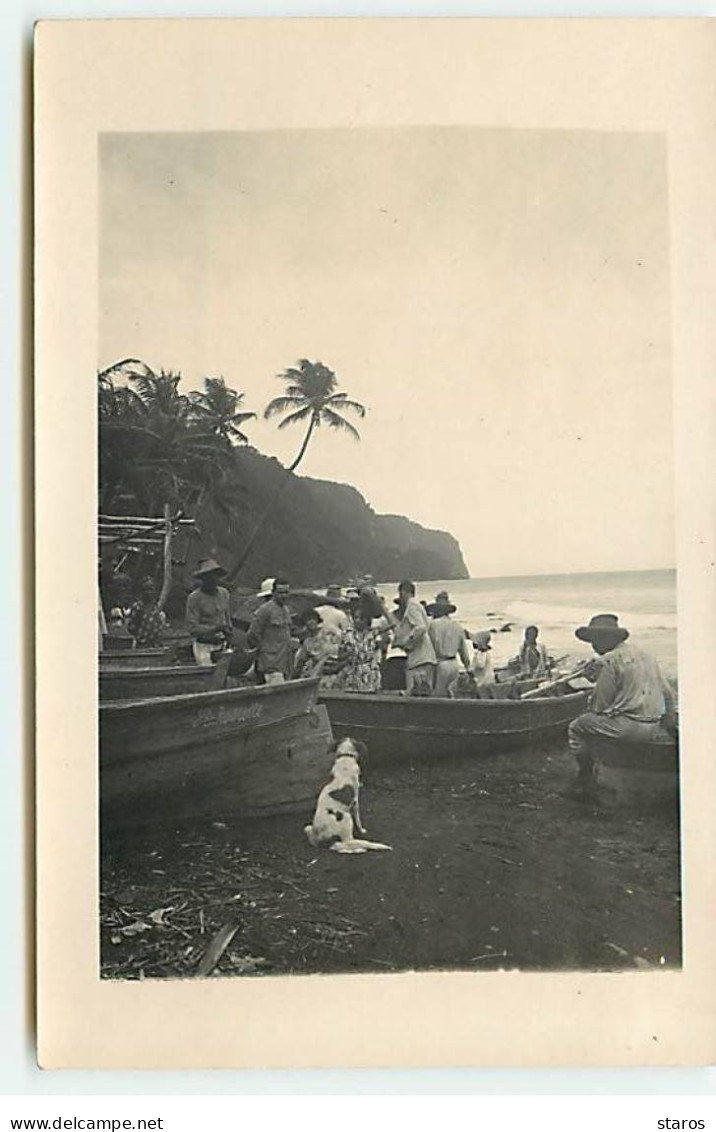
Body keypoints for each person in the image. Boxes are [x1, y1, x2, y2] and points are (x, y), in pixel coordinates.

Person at [567, 614, 676, 788]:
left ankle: (584, 776)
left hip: (628, 728)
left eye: (595, 640)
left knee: (577, 726)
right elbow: (667, 693)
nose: (593, 646)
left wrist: (594, 680)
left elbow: (599, 706)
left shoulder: (608, 660)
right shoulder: (646, 655)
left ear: (606, 639)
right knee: (604, 720)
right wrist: (670, 724)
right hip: (653, 725)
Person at [384, 580, 436, 694]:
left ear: (404, 592)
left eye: (400, 593)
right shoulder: (418, 606)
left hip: (419, 658)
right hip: (425, 656)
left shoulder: (411, 606)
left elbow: (420, 628)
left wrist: (407, 642)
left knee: (414, 692)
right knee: (425, 692)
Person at [185, 558, 232, 666]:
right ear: (203, 578)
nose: (213, 579)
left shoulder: (224, 594)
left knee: (224, 674)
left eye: (215, 576)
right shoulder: (194, 598)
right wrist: (214, 629)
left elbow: (227, 619)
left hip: (221, 644)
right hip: (203, 646)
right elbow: (192, 628)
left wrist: (229, 633)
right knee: (208, 674)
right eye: (209, 576)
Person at [247, 577, 293, 684]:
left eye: (286, 592)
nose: (284, 596)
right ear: (273, 593)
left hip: (284, 663)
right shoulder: (264, 610)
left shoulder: (286, 610)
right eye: (280, 592)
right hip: (270, 663)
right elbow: (252, 635)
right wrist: (264, 651)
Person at [330, 606, 386, 693]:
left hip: (370, 672)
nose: (357, 621)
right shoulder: (347, 634)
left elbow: (381, 647)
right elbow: (340, 655)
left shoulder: (374, 633)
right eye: (355, 617)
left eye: (361, 618)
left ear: (367, 620)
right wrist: (349, 654)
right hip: (353, 671)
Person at [427, 591, 471, 697]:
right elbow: (463, 651)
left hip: (440, 664)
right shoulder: (457, 626)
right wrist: (468, 667)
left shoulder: (432, 625)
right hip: (454, 664)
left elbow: (429, 648)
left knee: (438, 695)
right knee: (453, 694)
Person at [127, 577, 165, 648]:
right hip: (142, 645)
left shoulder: (156, 607)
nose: (149, 592)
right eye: (146, 589)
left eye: (151, 589)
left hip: (157, 645)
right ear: (142, 591)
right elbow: (131, 627)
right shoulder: (137, 607)